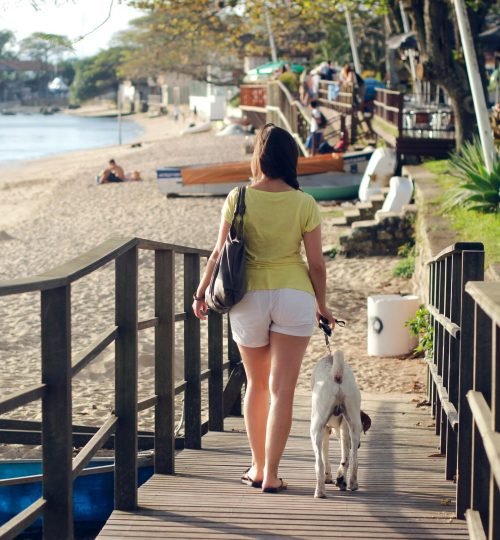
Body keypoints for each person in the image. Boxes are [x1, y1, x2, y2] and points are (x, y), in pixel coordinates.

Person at [192, 124, 335, 493]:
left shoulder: (238, 197)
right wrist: (322, 305)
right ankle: (272, 474)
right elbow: (316, 264)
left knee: (256, 384)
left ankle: (256, 469)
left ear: (258, 156)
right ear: (291, 159)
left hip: (249, 298)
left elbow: (218, 252)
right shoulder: (304, 202)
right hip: (295, 296)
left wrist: (202, 290)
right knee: (282, 389)